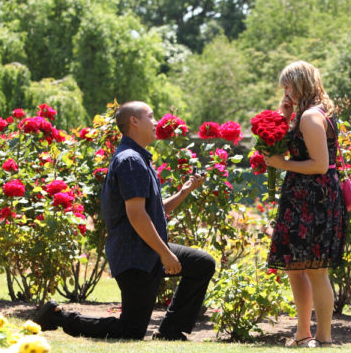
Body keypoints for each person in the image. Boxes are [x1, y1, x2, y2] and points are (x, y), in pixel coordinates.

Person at [34, 101, 215, 340]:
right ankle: (57, 317)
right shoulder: (131, 160)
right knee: (131, 330)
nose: (156, 122)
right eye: (150, 116)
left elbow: (151, 210)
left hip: (144, 249)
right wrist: (164, 253)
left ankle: (171, 330)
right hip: (135, 257)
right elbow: (136, 215)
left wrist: (183, 193)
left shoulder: (137, 158)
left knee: (201, 263)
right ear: (134, 121)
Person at [262, 61, 346, 347]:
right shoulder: (308, 113)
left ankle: (323, 338)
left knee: (315, 269)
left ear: (301, 85)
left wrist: (281, 164)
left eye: (288, 86)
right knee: (296, 267)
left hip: (314, 198)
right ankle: (302, 335)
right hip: (302, 196)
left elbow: (320, 165)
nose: (285, 92)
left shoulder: (311, 116)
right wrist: (284, 118)